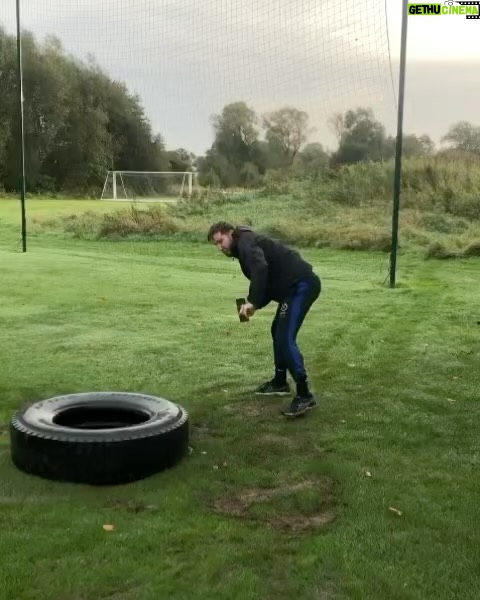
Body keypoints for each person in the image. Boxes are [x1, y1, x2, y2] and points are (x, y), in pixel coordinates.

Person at [207, 222, 321, 417]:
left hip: (302, 285)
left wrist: (252, 301)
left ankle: (304, 395)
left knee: (285, 337)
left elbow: (260, 268)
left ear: (230, 234)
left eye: (220, 241)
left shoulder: (245, 243)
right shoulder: (244, 245)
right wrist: (255, 305)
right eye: (216, 244)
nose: (220, 247)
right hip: (291, 289)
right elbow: (267, 279)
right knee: (277, 331)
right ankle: (279, 382)